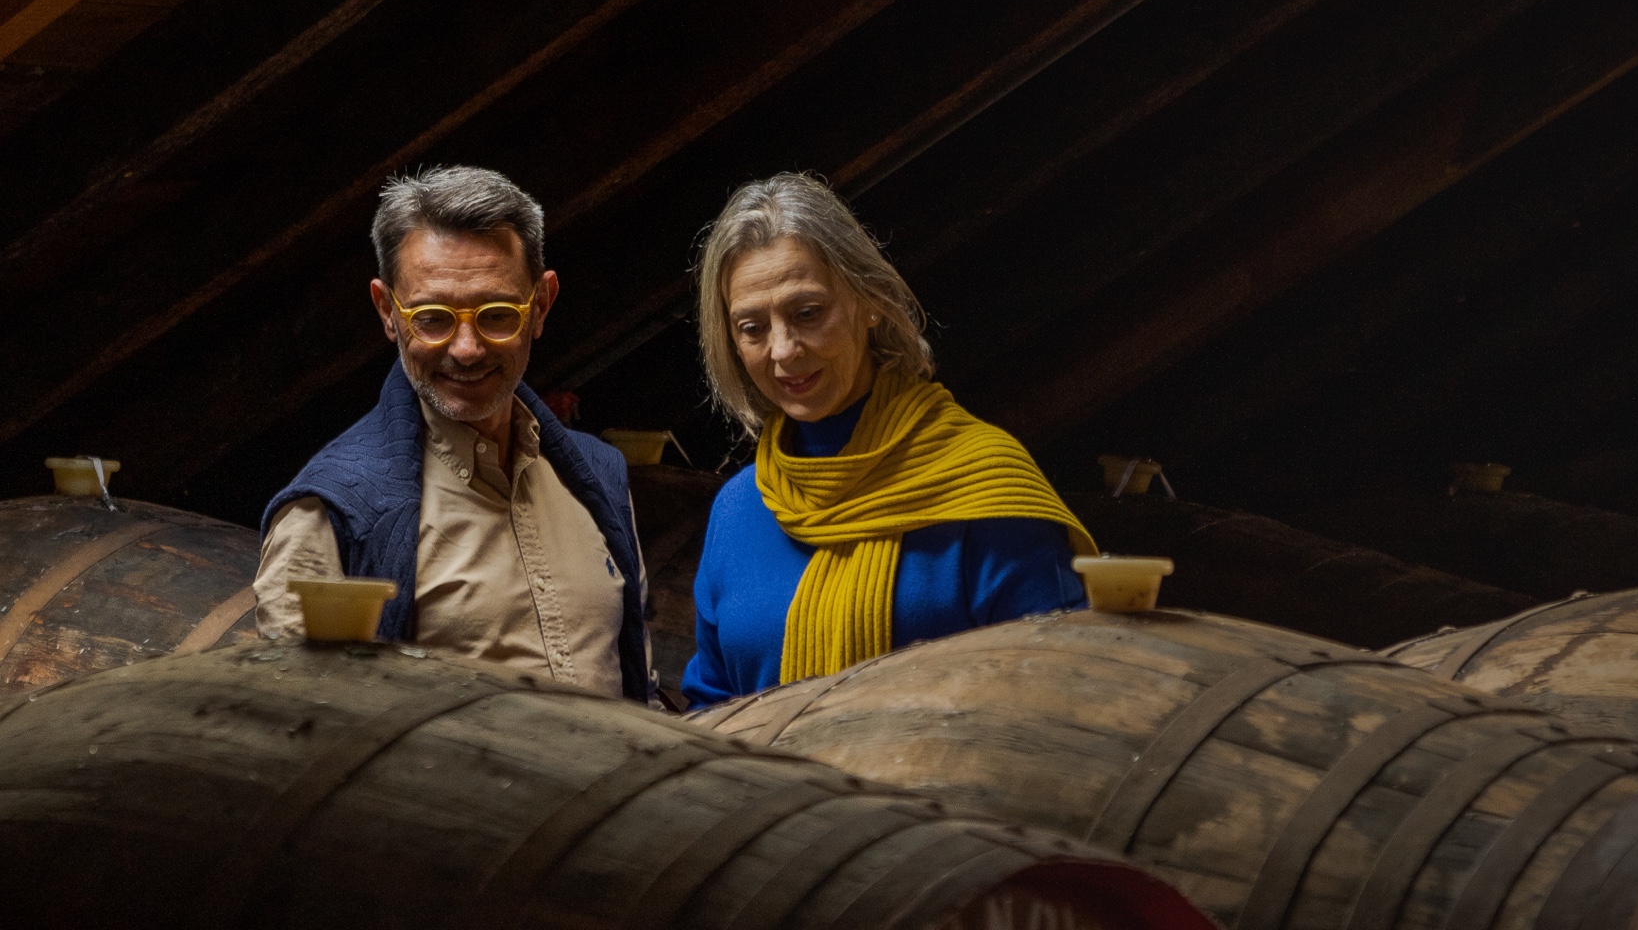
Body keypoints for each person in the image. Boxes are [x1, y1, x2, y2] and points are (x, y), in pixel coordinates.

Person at [679, 172, 1094, 707]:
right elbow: (709, 714)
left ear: (869, 300)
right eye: (752, 328)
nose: (783, 351)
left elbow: (1058, 700)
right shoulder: (739, 510)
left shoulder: (984, 486)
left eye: (807, 313)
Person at [253, 166, 654, 702]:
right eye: (434, 318)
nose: (466, 348)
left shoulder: (599, 476)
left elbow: (640, 693)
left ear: (541, 304)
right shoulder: (330, 514)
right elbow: (296, 734)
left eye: (495, 315)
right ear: (387, 311)